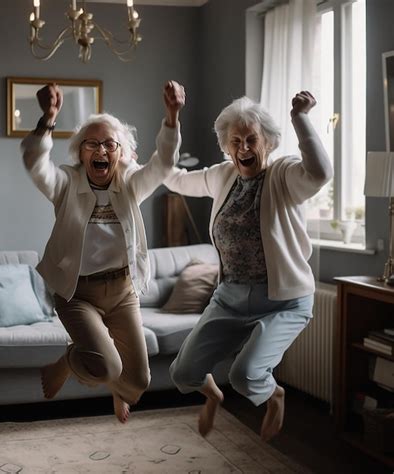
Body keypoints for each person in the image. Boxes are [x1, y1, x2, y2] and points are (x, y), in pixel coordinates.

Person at [164, 91, 333, 441]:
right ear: (226, 147)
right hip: (230, 297)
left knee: (246, 375)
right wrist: (145, 153)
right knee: (183, 374)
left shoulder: (284, 175)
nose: (243, 148)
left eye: (251, 139)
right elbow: (175, 178)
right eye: (235, 141)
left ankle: (275, 396)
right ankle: (213, 396)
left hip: (284, 301)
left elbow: (320, 173)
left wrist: (300, 118)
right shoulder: (223, 176)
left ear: (267, 142)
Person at [21, 80, 185, 423]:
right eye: (92, 144)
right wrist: (48, 118)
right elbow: (36, 162)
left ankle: (114, 387)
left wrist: (172, 117)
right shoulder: (65, 184)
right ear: (81, 153)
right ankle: (67, 362)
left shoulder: (131, 183)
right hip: (77, 293)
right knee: (108, 366)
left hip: (123, 291)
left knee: (138, 383)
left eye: (110, 144)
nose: (101, 150)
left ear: (121, 153)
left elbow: (164, 164)